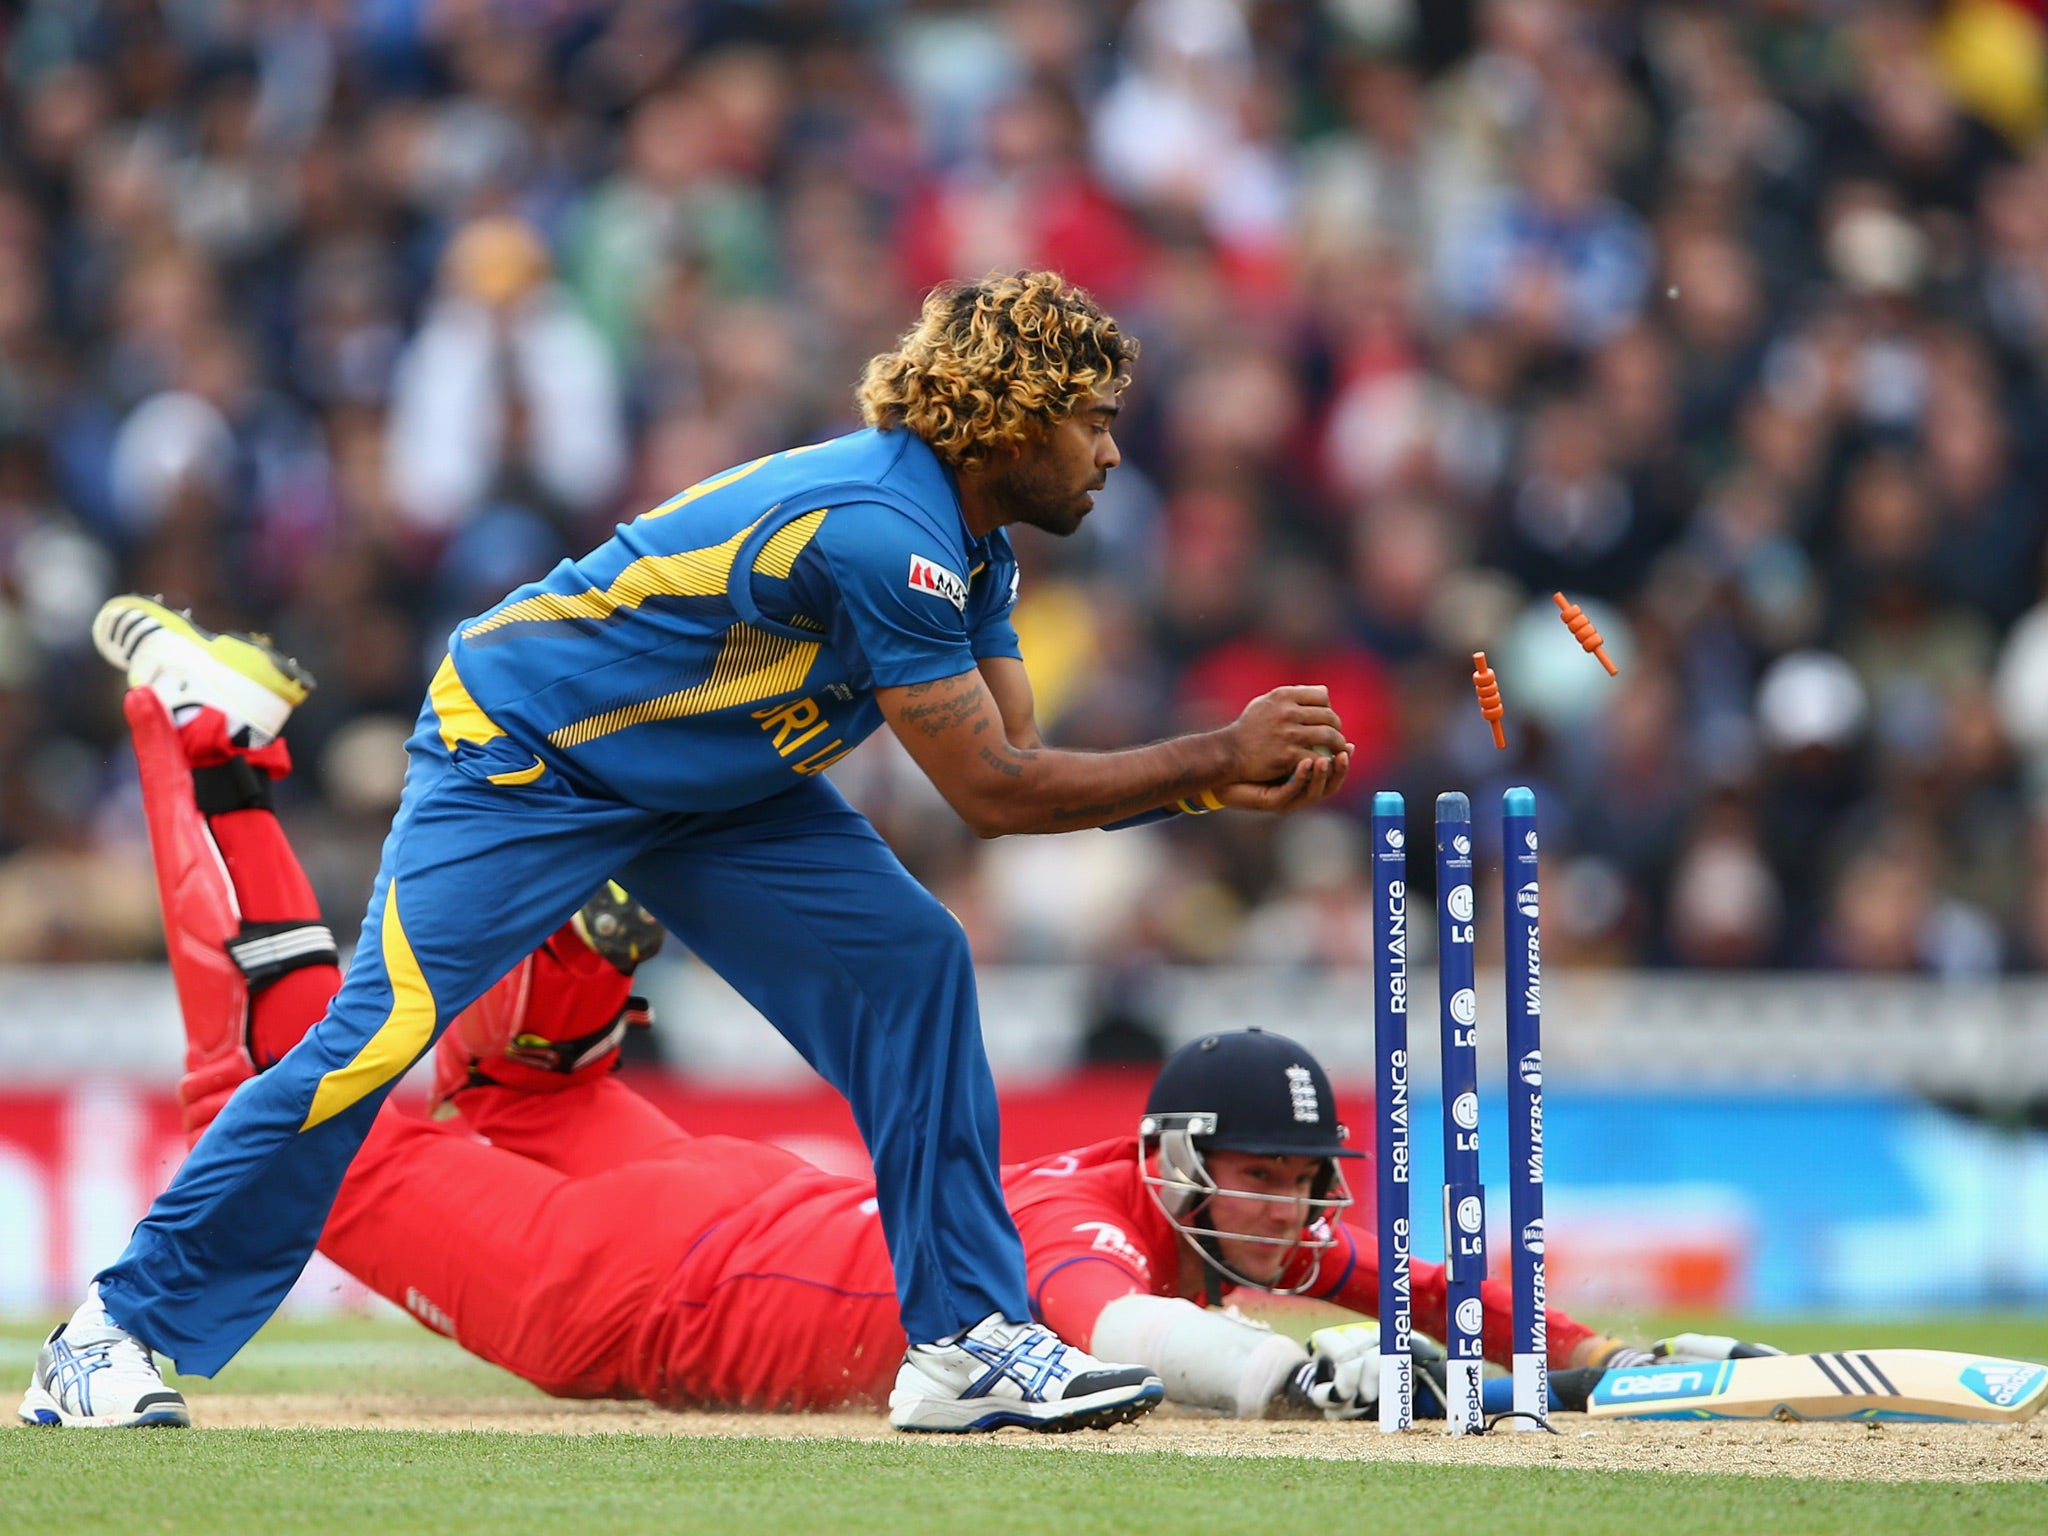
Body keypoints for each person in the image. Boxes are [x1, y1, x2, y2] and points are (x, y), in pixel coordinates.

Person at [41, 270, 1355, 1432]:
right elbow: (996, 793)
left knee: (913, 962)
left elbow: (1023, 764)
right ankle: (108, 1336)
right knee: (374, 1046)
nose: (1114, 452)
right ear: (1012, 421)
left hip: (713, 785)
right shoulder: (884, 535)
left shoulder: (976, 553)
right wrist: (1211, 759)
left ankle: (961, 1343)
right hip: (527, 756)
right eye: (1094, 418)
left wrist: (1212, 786)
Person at [26, 682, 1772, 1431]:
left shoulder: (1198, 1204)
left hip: (737, 1214)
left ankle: (607, 919)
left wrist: (1585, 1352)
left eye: (1294, 1185)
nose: (1286, 1213)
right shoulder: (1104, 1238)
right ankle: (211, 760)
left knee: (515, 1086)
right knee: (278, 1118)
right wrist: (1292, 1379)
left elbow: (1394, 1270)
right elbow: (1122, 1330)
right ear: (1177, 1162)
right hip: (637, 1297)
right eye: (1259, 1178)